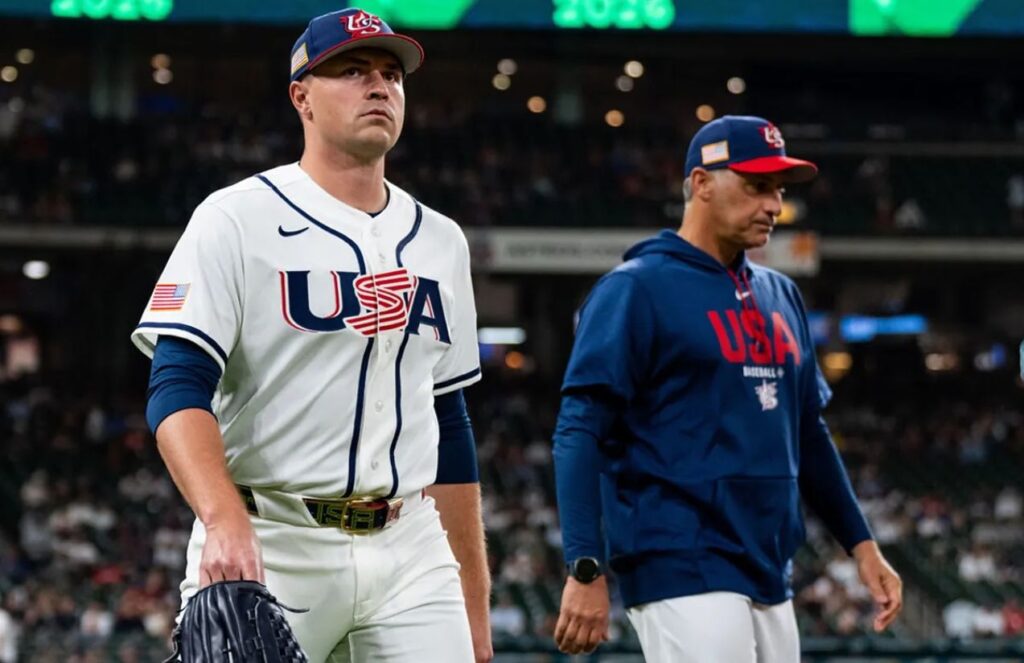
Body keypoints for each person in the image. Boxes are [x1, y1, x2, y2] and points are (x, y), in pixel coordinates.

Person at [130, 8, 491, 662]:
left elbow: (451, 421)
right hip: (275, 535)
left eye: (390, 73)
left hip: (410, 544)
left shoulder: (442, 241)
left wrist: (474, 594)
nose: (379, 86)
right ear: (302, 96)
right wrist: (222, 518)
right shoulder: (236, 218)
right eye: (351, 71)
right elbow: (175, 386)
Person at [551, 115, 902, 661]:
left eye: (779, 189)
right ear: (701, 184)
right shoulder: (635, 289)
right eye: (756, 185)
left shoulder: (781, 294)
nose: (774, 205)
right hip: (678, 557)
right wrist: (584, 565)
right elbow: (579, 430)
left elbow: (808, 434)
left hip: (768, 566)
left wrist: (862, 546)